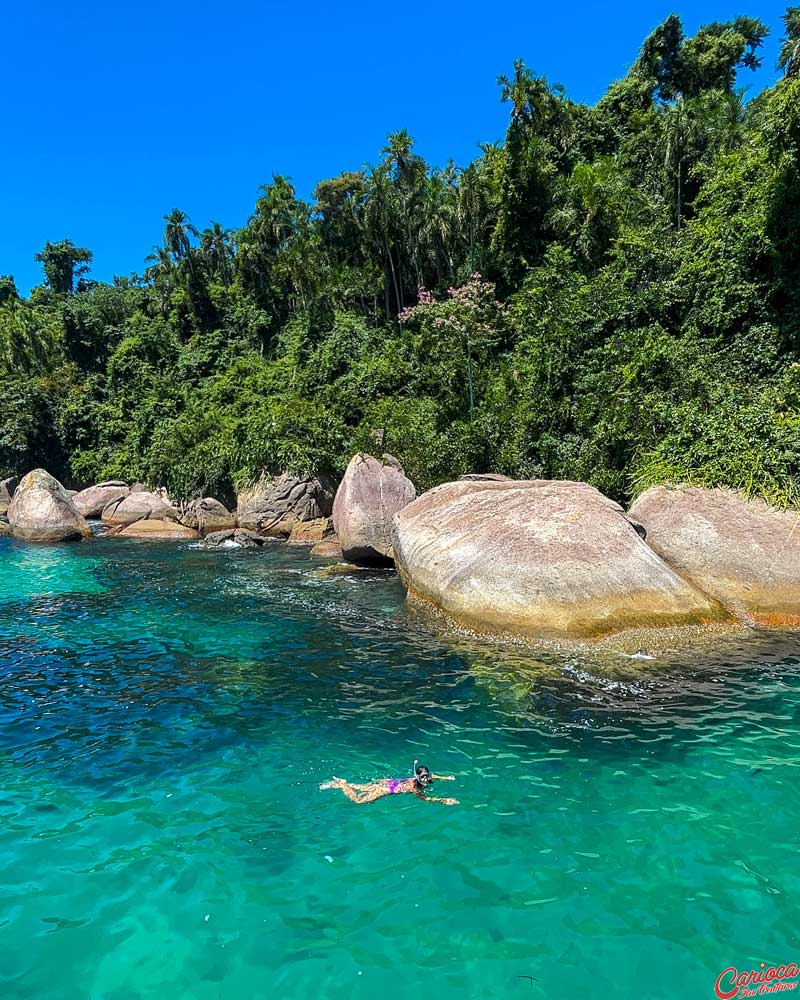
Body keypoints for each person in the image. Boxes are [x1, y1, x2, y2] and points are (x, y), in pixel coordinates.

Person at [320, 760, 458, 805]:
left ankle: (341, 783)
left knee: (362, 788)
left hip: (387, 782)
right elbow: (426, 798)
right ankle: (343, 785)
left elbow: (433, 775)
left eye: (427, 777)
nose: (426, 780)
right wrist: (443, 800)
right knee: (358, 800)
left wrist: (446, 778)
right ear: (417, 778)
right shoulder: (416, 788)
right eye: (424, 778)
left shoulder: (423, 777)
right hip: (386, 789)